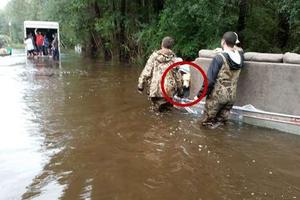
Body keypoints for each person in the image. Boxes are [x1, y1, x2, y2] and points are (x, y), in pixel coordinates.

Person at [197, 31, 244, 129]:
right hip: (231, 97)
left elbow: (209, 81)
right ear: (235, 43)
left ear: (223, 41)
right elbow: (239, 50)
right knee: (221, 125)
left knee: (206, 125)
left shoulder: (219, 58)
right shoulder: (240, 56)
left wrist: (200, 95)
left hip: (217, 97)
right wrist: (225, 49)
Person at [137, 36, 183, 112]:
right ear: (171, 47)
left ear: (162, 44)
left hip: (155, 90)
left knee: (156, 112)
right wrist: (180, 90)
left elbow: (147, 71)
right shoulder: (174, 59)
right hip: (168, 91)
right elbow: (177, 76)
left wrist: (140, 85)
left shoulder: (154, 56)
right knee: (168, 112)